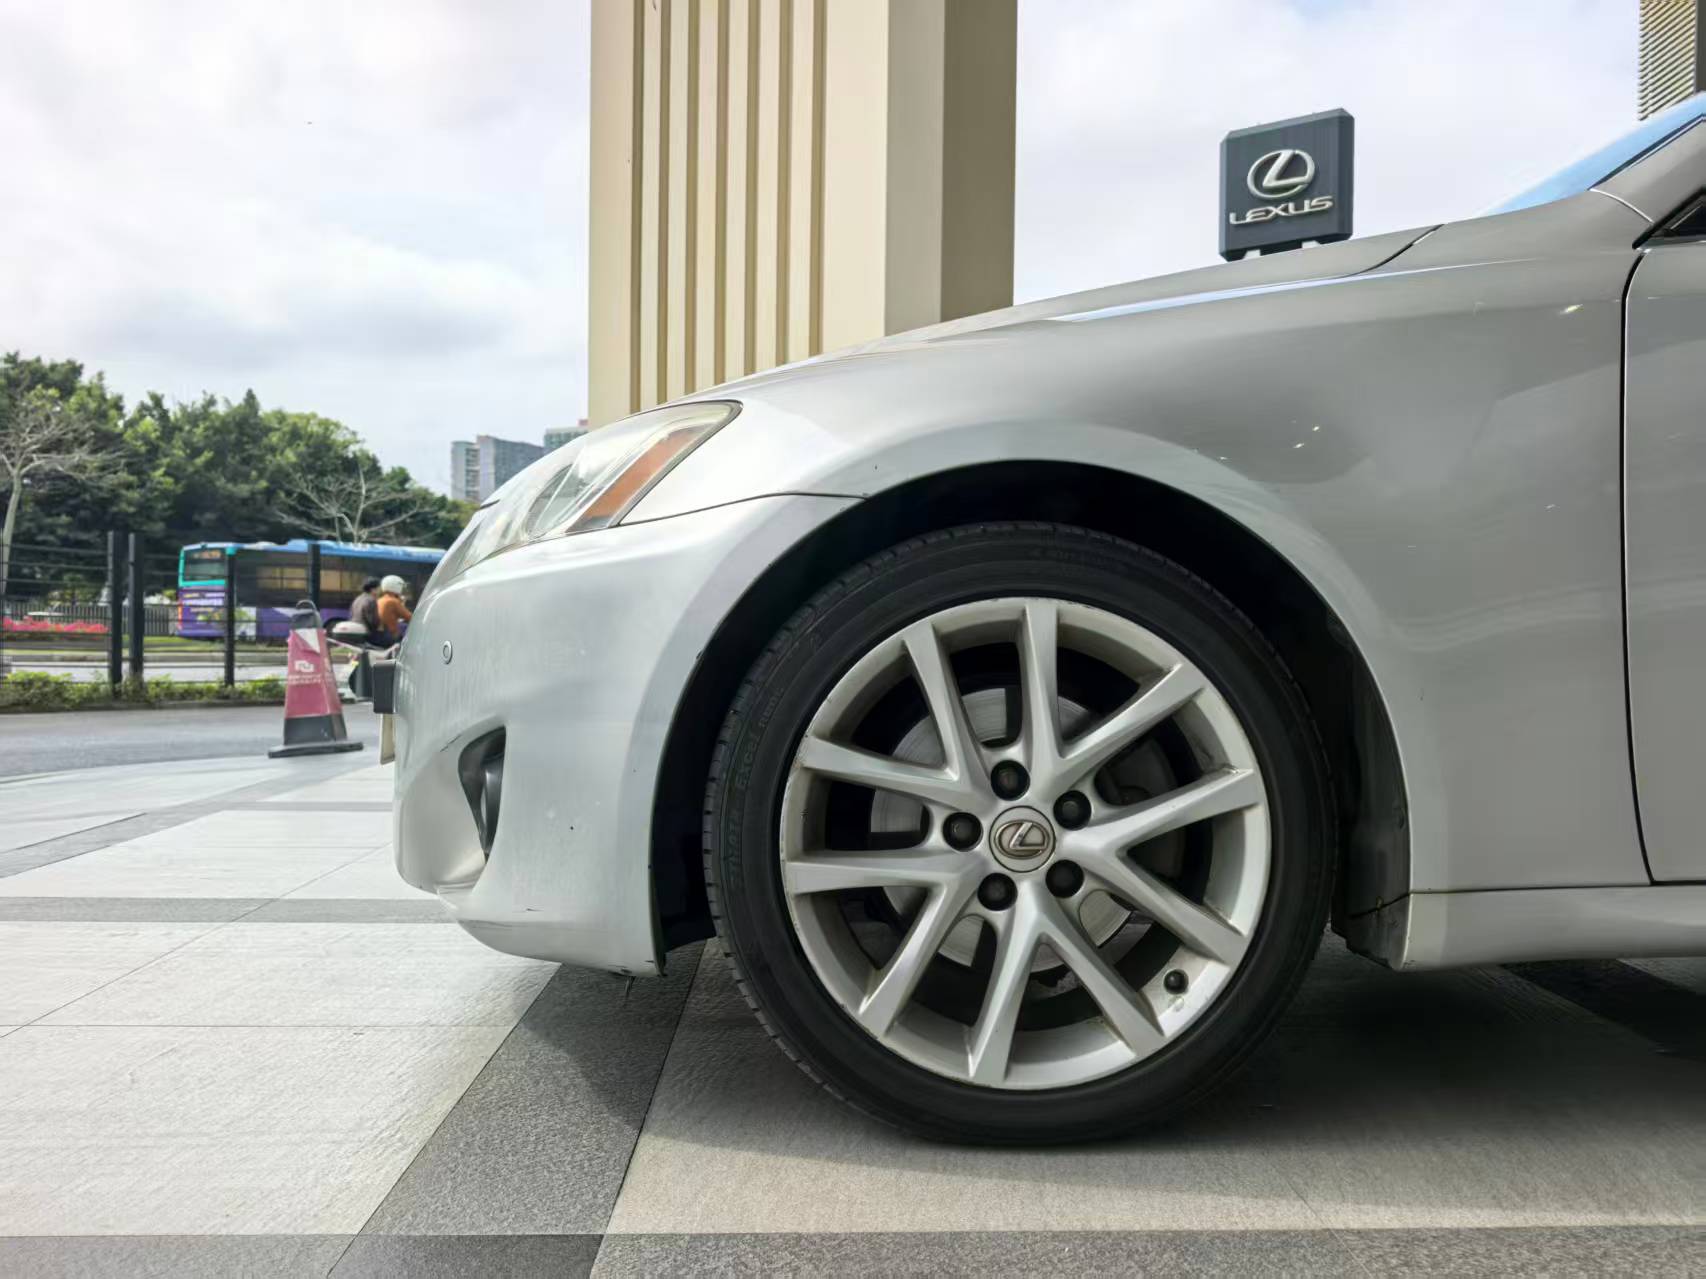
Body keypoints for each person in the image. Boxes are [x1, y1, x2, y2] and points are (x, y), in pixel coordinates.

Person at [375, 574, 413, 645]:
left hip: (381, 633)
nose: (402, 590)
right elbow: (410, 617)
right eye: (401, 587)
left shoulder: (380, 600)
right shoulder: (393, 601)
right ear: (395, 586)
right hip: (391, 635)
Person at [347, 577, 382, 645]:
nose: (380, 591)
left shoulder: (358, 598)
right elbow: (373, 622)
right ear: (373, 590)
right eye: (378, 588)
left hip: (355, 632)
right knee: (392, 639)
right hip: (367, 634)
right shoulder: (371, 600)